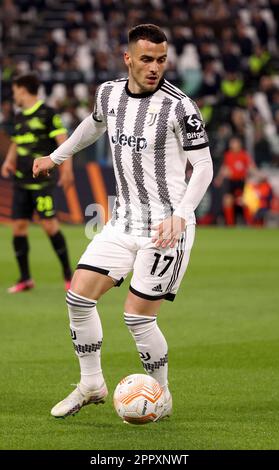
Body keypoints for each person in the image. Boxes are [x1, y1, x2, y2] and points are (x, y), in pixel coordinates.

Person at [33, 24, 213, 420]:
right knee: (78, 296)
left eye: (162, 60)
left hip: (167, 227)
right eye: (146, 59)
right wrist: (56, 157)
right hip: (123, 219)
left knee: (136, 316)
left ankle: (161, 397)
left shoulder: (180, 107)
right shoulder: (109, 93)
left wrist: (181, 215)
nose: (155, 68)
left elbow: (203, 166)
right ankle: (91, 384)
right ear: (128, 58)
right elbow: (93, 125)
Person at [1, 73, 73, 293]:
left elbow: (64, 143)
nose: (14, 96)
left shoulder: (48, 114)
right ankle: (25, 279)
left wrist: (67, 171)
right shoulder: (19, 116)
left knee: (50, 226)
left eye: (15, 91)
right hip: (20, 183)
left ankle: (69, 277)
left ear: (22, 90)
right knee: (19, 228)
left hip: (41, 184)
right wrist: (8, 161)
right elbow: (17, 142)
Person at [214, 136, 255, 225]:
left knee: (244, 201)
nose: (232, 145)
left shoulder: (244, 155)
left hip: (241, 182)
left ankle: (250, 223)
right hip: (231, 182)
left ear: (239, 144)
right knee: (227, 201)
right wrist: (219, 178)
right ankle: (230, 224)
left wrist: (254, 176)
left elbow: (251, 167)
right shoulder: (228, 155)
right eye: (231, 143)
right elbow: (224, 167)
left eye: (234, 143)